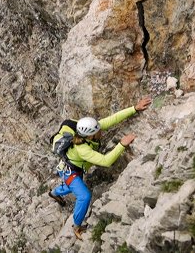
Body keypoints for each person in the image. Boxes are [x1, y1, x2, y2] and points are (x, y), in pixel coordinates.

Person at [48, 96, 152, 240]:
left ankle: (54, 193)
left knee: (72, 185)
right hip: (70, 172)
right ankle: (77, 226)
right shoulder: (82, 149)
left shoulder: (86, 134)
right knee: (84, 195)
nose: (101, 131)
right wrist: (122, 144)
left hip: (69, 169)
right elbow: (105, 161)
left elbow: (112, 119)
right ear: (90, 136)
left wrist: (134, 108)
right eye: (97, 131)